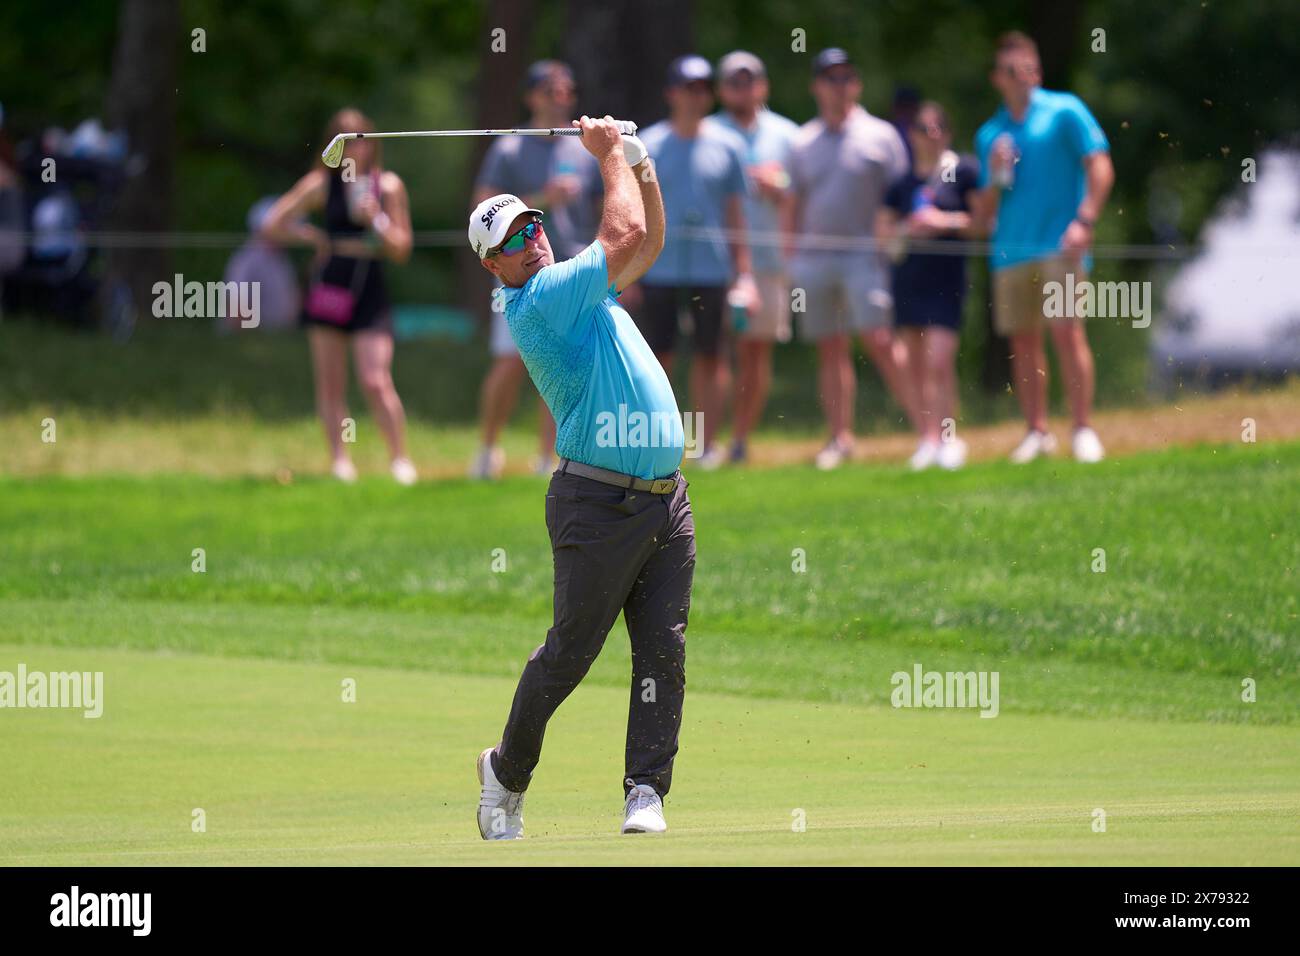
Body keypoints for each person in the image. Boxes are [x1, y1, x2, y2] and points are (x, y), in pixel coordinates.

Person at [471, 116, 694, 838]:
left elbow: (648, 242)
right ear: (493, 267)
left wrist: (640, 160)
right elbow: (624, 238)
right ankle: (505, 775)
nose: (527, 239)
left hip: (666, 501)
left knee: (663, 647)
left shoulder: (580, 289)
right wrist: (606, 157)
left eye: (530, 226)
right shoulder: (538, 300)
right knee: (571, 653)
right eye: (508, 240)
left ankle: (645, 791)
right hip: (595, 502)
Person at [972, 31, 1114, 463]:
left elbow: (1101, 164)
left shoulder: (1065, 111)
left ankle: (1083, 429)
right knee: (1024, 342)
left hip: (1060, 246)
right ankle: (1037, 432)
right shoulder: (990, 134)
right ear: (998, 77)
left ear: (1039, 71)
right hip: (1011, 251)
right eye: (1013, 71)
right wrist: (996, 173)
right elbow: (984, 209)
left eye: (1029, 68)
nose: (1023, 77)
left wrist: (1085, 220)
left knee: (1067, 333)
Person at [261, 108, 417, 484]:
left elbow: (402, 248)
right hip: (331, 282)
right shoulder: (320, 184)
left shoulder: (388, 185)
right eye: (343, 140)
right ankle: (340, 461)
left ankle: (399, 459)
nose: (352, 149)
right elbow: (273, 224)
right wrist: (311, 237)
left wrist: (376, 219)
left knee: (375, 378)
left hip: (369, 283)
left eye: (358, 140)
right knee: (330, 380)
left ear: (370, 144)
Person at [469, 60, 602, 479]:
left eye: (566, 88)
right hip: (518, 273)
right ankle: (488, 449)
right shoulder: (509, 147)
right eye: (549, 87)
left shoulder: (583, 145)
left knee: (563, 362)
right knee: (510, 361)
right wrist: (545, 196)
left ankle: (552, 455)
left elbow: (602, 211)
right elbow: (483, 206)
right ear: (531, 96)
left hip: (570, 268)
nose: (559, 94)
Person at [784, 48, 914, 470]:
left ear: (856, 84)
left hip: (866, 257)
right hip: (815, 257)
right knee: (830, 347)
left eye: (846, 78)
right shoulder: (802, 141)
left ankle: (927, 430)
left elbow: (903, 195)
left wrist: (894, 241)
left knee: (878, 340)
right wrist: (790, 257)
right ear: (816, 86)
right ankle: (840, 438)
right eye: (830, 79)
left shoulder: (882, 135)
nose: (838, 87)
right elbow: (793, 203)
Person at [637, 54, 755, 469]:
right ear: (671, 92)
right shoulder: (646, 144)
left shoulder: (729, 144)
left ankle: (704, 445)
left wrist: (745, 276)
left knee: (711, 356)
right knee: (657, 358)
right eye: (688, 87)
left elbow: (736, 216)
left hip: (712, 268)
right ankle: (662, 443)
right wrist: (629, 271)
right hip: (657, 269)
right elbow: (633, 212)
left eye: (703, 88)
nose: (696, 96)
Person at [877, 101, 980, 470]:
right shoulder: (902, 183)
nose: (931, 134)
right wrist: (908, 228)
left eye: (938, 127)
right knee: (916, 364)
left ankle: (949, 438)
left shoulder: (963, 170)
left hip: (947, 280)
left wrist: (943, 221)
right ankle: (927, 438)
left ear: (947, 133)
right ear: (912, 135)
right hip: (908, 280)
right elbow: (882, 232)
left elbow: (982, 223)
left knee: (939, 360)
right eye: (923, 128)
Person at [712, 50, 799, 465]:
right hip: (716, 263)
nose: (742, 89)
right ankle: (705, 441)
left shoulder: (787, 134)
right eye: (733, 81)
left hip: (767, 261)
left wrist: (777, 182)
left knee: (755, 351)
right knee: (713, 351)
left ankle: (740, 439)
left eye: (749, 80)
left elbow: (801, 193)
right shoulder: (709, 132)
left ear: (762, 85)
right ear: (722, 88)